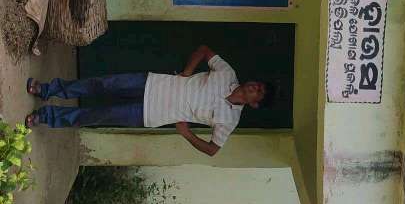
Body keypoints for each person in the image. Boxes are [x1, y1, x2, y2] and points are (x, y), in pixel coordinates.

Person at [25, 45, 275, 156]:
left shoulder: (230, 120)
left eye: (259, 93)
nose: (255, 87)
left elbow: (213, 150)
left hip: (150, 113)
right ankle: (46, 89)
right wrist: (187, 71)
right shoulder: (228, 73)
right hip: (151, 83)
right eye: (258, 85)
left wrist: (187, 134)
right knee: (99, 85)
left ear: (254, 104)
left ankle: (45, 117)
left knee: (95, 115)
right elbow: (204, 50)